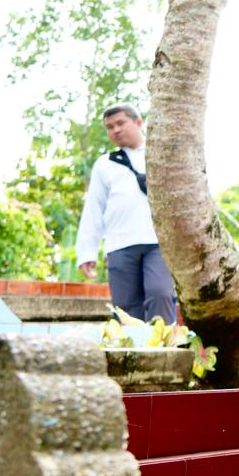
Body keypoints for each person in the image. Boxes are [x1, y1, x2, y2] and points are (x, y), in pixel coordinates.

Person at [77, 103, 176, 322]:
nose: (116, 130)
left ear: (139, 122)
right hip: (120, 244)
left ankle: (166, 353)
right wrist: (87, 252)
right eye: (110, 127)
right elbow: (94, 208)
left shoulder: (161, 154)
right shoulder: (105, 164)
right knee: (126, 308)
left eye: (121, 123)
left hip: (159, 242)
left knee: (161, 293)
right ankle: (133, 353)